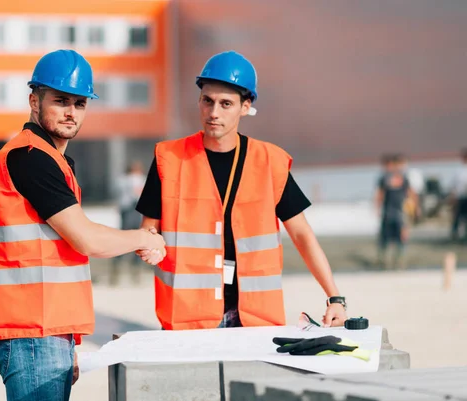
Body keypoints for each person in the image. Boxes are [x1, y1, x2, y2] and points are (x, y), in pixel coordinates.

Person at [0, 49, 165, 401]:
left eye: (79, 104)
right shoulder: (29, 157)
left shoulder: (52, 159)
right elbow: (86, 238)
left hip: (46, 332)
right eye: (60, 101)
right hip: (31, 331)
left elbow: (58, 253)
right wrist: (144, 237)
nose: (70, 112)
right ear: (34, 100)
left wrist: (66, 342)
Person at [135, 51, 348, 331]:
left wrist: (335, 297)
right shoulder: (169, 158)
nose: (214, 113)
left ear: (245, 107)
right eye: (207, 101)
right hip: (189, 318)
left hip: (254, 318)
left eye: (226, 104)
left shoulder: (270, 161)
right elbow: (148, 231)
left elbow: (302, 234)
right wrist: (150, 246)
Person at [375, 153, 419, 269]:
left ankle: (399, 261)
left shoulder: (404, 179)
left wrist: (415, 208)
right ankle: (384, 261)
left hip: (401, 212)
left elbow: (412, 194)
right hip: (388, 212)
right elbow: (380, 195)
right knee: (385, 237)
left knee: (402, 237)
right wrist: (377, 208)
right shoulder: (384, 179)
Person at [110, 161, 147, 283]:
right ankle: (135, 273)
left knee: (122, 240)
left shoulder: (121, 180)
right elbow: (138, 193)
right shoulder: (138, 179)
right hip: (134, 211)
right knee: (137, 240)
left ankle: (117, 272)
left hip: (126, 211)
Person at [450, 148, 467, 242]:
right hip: (460, 198)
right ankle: (455, 234)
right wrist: (453, 198)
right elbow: (454, 187)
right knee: (458, 217)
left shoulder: (459, 171)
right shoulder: (459, 171)